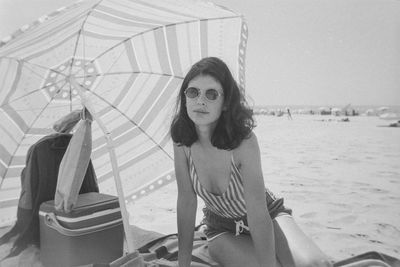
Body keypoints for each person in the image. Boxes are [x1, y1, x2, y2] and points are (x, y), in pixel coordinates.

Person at [170, 57, 332, 267]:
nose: (200, 101)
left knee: (315, 264)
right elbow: (186, 200)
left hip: (267, 216)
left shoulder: (242, 142)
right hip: (221, 227)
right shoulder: (182, 140)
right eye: (193, 92)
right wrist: (183, 264)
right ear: (185, 97)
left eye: (211, 94)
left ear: (226, 102)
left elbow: (257, 211)